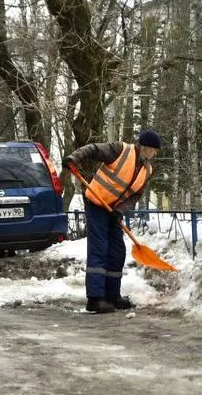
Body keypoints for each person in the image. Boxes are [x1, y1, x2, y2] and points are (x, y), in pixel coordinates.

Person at [63, 129, 161, 314]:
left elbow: (134, 196)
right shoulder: (119, 150)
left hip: (113, 212)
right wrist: (74, 158)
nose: (154, 154)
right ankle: (95, 299)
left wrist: (120, 211)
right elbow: (93, 149)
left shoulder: (147, 170)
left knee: (117, 250)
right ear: (145, 147)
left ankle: (111, 296)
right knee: (99, 248)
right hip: (97, 204)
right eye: (153, 150)